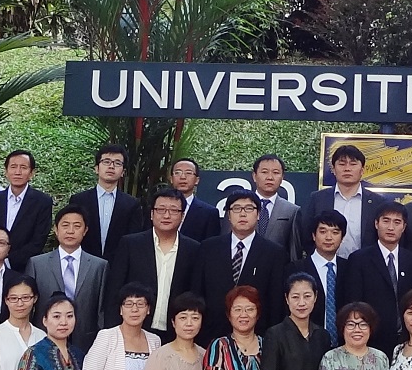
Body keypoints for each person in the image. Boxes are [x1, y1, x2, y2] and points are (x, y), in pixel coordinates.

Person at [106, 189, 202, 337]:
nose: (166, 215)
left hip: (175, 334)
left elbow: (195, 294)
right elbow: (115, 291)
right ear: (151, 214)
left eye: (173, 210)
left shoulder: (193, 249)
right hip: (134, 331)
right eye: (161, 209)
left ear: (182, 216)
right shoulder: (130, 244)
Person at [195, 191, 285, 335]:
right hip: (212, 333)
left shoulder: (274, 253)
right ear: (228, 215)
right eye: (236, 208)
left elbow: (276, 302)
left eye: (249, 208)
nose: (242, 214)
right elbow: (197, 293)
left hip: (256, 335)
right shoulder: (208, 248)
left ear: (258, 214)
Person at [29, 207, 110, 357]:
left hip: (86, 340)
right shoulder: (37, 264)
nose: (70, 231)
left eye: (77, 226)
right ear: (56, 229)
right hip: (45, 337)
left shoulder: (99, 266)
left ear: (85, 230)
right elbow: (30, 305)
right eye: (65, 225)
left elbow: (101, 309)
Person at [344, 203, 412, 335]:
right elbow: (354, 302)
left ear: (404, 227)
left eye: (397, 222)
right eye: (386, 221)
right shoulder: (359, 259)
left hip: (407, 337)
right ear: (376, 224)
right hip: (371, 336)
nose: (391, 227)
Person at [62, 141, 140, 260]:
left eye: (117, 163)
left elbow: (133, 240)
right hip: (85, 263)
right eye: (106, 162)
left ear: (123, 172)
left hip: (118, 264)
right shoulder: (79, 200)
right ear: (97, 169)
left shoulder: (132, 204)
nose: (111, 166)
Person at [305, 143, 389, 252]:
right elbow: (307, 235)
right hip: (328, 261)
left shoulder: (378, 202)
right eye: (342, 164)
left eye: (353, 164)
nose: (347, 169)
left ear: (362, 170)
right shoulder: (317, 199)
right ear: (333, 169)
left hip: (365, 262)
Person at [0, 148, 54, 264]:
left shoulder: (42, 202)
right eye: (13, 167)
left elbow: (38, 241)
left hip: (22, 267)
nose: (18, 172)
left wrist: (8, 262)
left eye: (23, 167)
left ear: (31, 173)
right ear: (6, 171)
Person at [299, 211, 357, 335]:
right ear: (314, 235)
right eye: (323, 231)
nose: (329, 237)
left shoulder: (350, 268)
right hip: (307, 339)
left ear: (342, 237)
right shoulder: (297, 269)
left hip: (345, 340)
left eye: (335, 232)